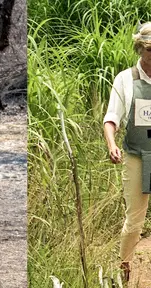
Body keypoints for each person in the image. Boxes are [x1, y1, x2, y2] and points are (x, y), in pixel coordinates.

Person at [103, 22, 151, 282]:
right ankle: (124, 270)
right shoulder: (125, 79)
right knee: (134, 220)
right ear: (140, 49)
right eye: (150, 49)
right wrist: (112, 145)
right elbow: (111, 119)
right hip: (136, 156)